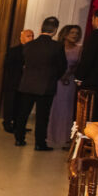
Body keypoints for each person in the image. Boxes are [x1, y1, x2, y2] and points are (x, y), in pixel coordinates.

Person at [14, 17, 66, 150]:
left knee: (23, 113)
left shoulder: (29, 45)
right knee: (42, 116)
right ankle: (39, 143)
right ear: (55, 30)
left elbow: (23, 63)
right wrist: (53, 77)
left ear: (41, 28)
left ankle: (19, 139)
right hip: (46, 85)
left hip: (27, 84)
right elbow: (62, 67)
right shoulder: (57, 46)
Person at [47, 25, 83, 149]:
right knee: (53, 106)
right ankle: (49, 134)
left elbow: (80, 65)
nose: (75, 35)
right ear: (65, 34)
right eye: (72, 32)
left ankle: (65, 136)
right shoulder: (57, 47)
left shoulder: (79, 49)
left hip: (69, 81)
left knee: (66, 107)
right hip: (55, 79)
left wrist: (69, 73)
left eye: (77, 33)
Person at [1, 29, 34, 133]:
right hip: (13, 82)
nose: (31, 38)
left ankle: (18, 125)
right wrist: (22, 68)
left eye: (32, 36)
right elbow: (8, 66)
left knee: (22, 105)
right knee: (10, 104)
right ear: (21, 38)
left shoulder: (35, 51)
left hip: (27, 83)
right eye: (28, 36)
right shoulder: (14, 50)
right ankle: (7, 123)